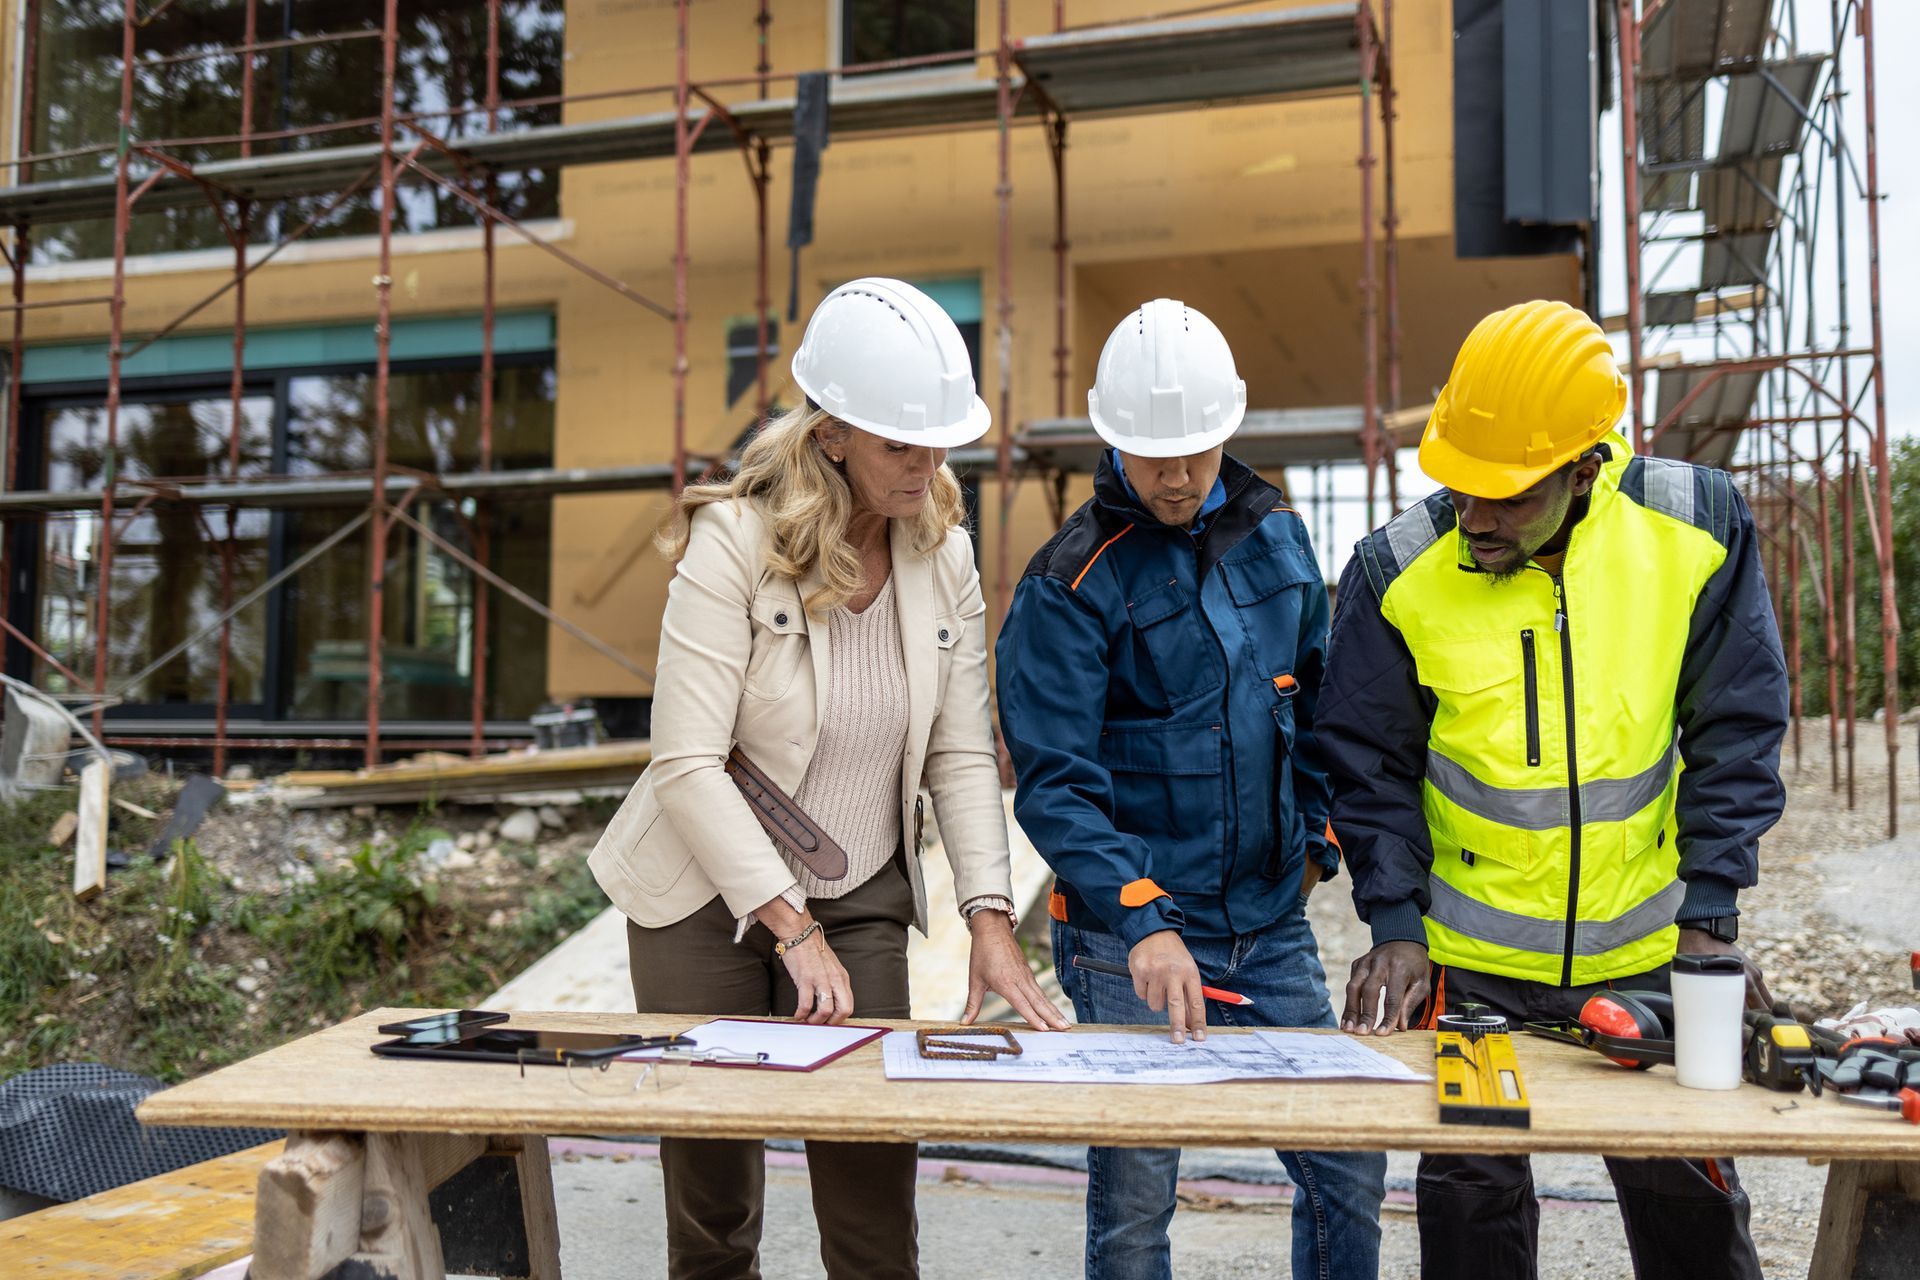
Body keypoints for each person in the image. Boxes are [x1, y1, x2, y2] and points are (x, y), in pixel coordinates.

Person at [589, 276, 1066, 1280]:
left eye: (941, 441)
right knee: (714, 1207)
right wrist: (787, 924)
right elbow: (682, 760)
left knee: (872, 1199)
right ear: (835, 433)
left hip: (860, 894)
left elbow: (962, 748)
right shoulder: (731, 545)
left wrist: (989, 912)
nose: (929, 465)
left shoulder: (944, 555)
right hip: (699, 896)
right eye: (903, 444)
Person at [1319, 299, 1786, 1280]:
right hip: (1474, 978)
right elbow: (1367, 764)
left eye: (1507, 495)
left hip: (1649, 958)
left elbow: (1736, 733)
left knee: (1690, 1217)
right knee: (1473, 1218)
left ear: (1586, 465)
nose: (1475, 518)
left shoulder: (1692, 531)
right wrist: (1395, 923)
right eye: (1460, 487)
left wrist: (1709, 926)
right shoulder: (1397, 572)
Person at [996, 298, 1387, 1280]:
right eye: (1150, 454)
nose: (1174, 475)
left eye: (1196, 452)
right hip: (1125, 941)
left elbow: (1322, 716)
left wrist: (1314, 846)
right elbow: (1055, 784)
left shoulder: (1281, 545)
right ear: (1110, 439)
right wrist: (1143, 919)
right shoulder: (1068, 583)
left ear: (1229, 429)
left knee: (1345, 1158)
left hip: (1270, 922)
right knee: (1136, 1196)